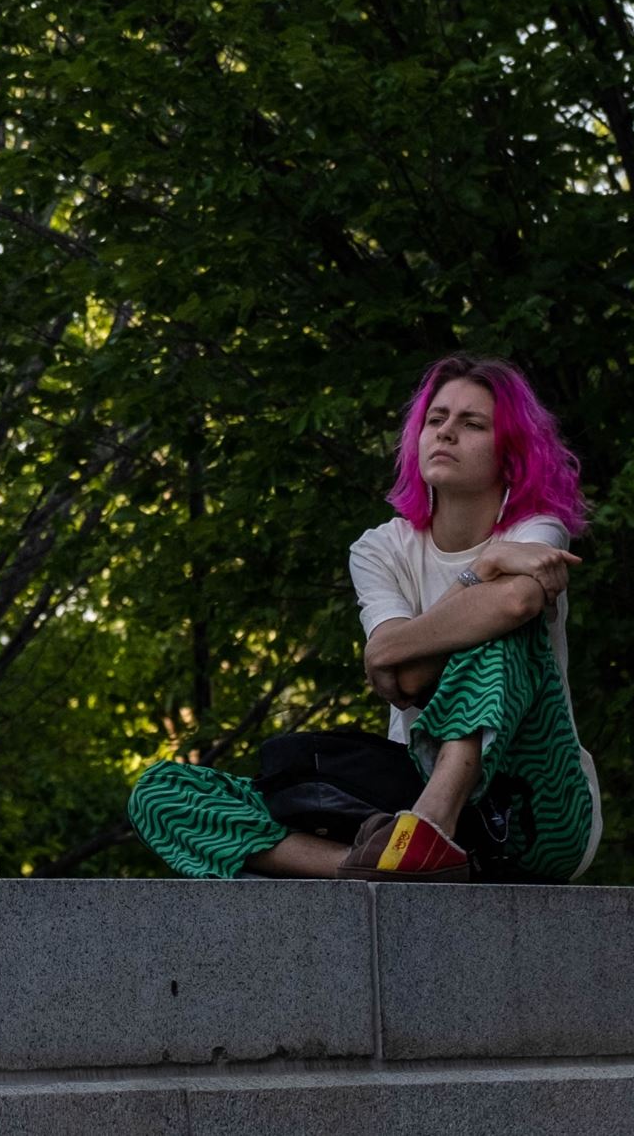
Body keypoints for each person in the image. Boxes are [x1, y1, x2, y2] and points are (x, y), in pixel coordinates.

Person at [129, 355, 603, 882]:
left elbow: (504, 611)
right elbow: (398, 670)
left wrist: (402, 641)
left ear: (509, 453)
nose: (446, 433)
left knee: (503, 628)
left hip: (535, 806)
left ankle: (430, 828)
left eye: (472, 424)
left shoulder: (537, 529)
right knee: (161, 794)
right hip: (412, 779)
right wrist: (471, 584)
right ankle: (378, 866)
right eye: (436, 419)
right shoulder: (381, 548)